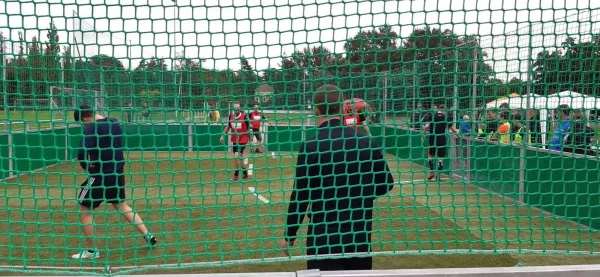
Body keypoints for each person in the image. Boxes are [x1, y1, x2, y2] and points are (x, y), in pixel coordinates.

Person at [279, 84, 395, 271]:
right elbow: (386, 184)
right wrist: (359, 195)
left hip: (322, 239)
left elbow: (300, 196)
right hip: (359, 237)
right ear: (342, 107)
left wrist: (289, 235)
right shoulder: (367, 142)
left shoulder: (310, 146)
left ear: (316, 110)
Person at [72, 104, 157, 260]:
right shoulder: (114, 122)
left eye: (83, 123)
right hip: (117, 173)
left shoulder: (91, 128)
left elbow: (82, 152)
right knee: (121, 205)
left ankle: (91, 251)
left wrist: (86, 165)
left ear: (84, 118)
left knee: (84, 207)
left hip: (100, 174)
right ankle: (148, 235)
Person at [422, 103, 458, 181]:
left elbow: (426, 126)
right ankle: (438, 176)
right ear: (444, 110)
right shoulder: (446, 118)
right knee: (440, 158)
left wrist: (423, 135)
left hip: (433, 139)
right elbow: (454, 130)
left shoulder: (432, 116)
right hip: (442, 140)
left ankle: (432, 172)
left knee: (430, 155)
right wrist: (459, 136)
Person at [220, 103, 252, 181]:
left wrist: (251, 139)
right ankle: (245, 174)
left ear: (239, 109)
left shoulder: (245, 117)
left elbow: (250, 128)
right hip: (235, 140)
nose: (236, 109)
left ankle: (235, 176)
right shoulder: (230, 117)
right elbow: (228, 127)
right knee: (240, 158)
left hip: (243, 139)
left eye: (238, 108)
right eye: (235, 108)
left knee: (237, 157)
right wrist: (223, 136)